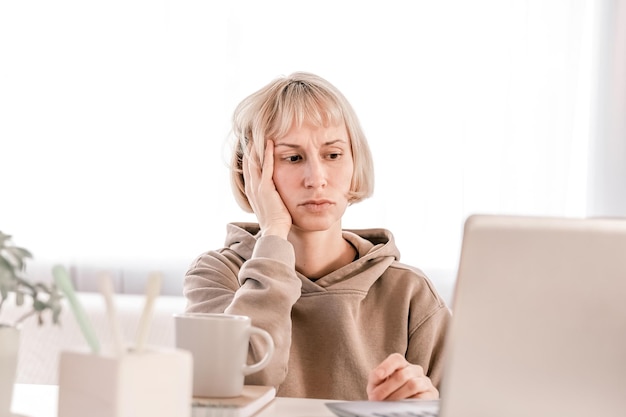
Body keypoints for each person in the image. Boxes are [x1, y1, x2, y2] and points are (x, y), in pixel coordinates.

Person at [183, 72, 451, 401]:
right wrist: (274, 233)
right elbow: (244, 380)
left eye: (333, 155)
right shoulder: (215, 275)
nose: (316, 178)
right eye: (293, 158)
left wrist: (427, 407)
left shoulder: (410, 293)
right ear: (251, 172)